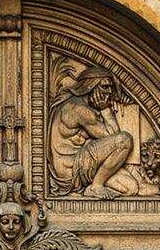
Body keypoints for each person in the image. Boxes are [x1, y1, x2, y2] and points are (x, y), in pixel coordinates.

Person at [49, 66, 138, 195]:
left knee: (131, 188)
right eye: (105, 87)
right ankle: (96, 186)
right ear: (90, 86)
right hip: (72, 169)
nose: (109, 92)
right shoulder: (79, 109)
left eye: (111, 88)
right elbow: (117, 140)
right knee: (125, 139)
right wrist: (106, 110)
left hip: (84, 164)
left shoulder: (80, 106)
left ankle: (94, 185)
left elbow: (113, 149)